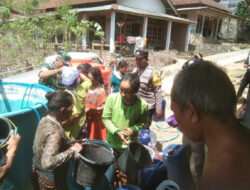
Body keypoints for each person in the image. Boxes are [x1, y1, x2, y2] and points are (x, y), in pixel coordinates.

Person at [171, 61, 250, 190]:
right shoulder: (237, 140)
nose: (176, 120)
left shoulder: (224, 174)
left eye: (174, 112)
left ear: (192, 113)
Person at [32, 90, 83, 190]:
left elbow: (45, 144)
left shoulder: (45, 120)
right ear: (63, 110)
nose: (73, 111)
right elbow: (47, 163)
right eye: (71, 108)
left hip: (37, 173)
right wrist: (73, 151)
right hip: (51, 181)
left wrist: (69, 144)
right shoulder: (55, 133)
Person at [102, 73, 148, 153]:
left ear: (136, 91)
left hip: (129, 144)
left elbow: (143, 122)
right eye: (121, 89)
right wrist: (117, 132)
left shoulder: (142, 105)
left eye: (127, 92)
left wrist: (134, 128)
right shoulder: (112, 99)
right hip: (112, 143)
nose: (123, 94)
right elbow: (106, 118)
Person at [133, 48, 162, 129]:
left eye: (139, 59)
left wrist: (158, 108)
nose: (137, 61)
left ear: (146, 59)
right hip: (136, 104)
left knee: (144, 127)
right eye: (136, 59)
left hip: (148, 107)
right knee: (135, 126)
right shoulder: (135, 70)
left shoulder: (154, 72)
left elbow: (158, 91)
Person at [61, 66, 92, 140]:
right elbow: (88, 81)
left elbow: (75, 115)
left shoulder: (65, 94)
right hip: (81, 124)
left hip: (71, 130)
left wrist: (62, 124)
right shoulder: (82, 88)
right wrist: (78, 73)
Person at [85, 67, 107, 141]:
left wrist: (92, 109)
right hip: (87, 120)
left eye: (90, 78)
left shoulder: (101, 91)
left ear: (97, 78)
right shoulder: (86, 89)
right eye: (87, 77)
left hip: (97, 122)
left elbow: (104, 107)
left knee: (96, 139)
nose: (88, 80)